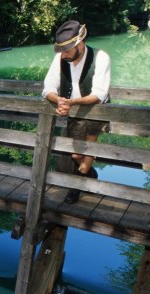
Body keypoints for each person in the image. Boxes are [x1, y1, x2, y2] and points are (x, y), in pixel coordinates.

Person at [42, 20, 111, 203]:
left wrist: (71, 102)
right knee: (75, 154)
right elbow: (48, 86)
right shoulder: (61, 58)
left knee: (86, 150)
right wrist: (59, 100)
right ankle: (90, 174)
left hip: (96, 111)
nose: (63, 54)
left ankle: (76, 187)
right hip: (74, 112)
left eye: (67, 50)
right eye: (61, 50)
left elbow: (99, 94)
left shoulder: (101, 57)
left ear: (80, 43)